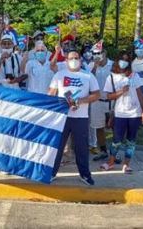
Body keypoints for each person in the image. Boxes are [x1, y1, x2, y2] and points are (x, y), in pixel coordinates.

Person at [48, 51, 100, 185]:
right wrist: (60, 104)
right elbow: (50, 94)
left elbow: (96, 95)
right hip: (62, 117)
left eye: (76, 58)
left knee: (81, 147)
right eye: (71, 58)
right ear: (66, 60)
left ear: (81, 60)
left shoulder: (88, 76)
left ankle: (85, 174)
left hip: (81, 117)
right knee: (57, 146)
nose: (74, 60)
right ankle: (51, 172)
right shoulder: (59, 75)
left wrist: (81, 101)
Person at [100, 51, 143, 173]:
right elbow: (108, 96)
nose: (124, 62)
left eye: (126, 60)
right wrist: (121, 91)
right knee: (117, 139)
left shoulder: (134, 75)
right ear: (117, 61)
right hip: (120, 113)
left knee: (131, 140)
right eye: (122, 59)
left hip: (135, 113)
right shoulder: (111, 77)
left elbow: (140, 93)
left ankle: (126, 164)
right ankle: (110, 162)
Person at [88, 42, 113, 161]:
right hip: (97, 101)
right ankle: (103, 150)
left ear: (105, 53)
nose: (97, 55)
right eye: (94, 53)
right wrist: (95, 66)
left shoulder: (113, 65)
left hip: (111, 100)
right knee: (99, 127)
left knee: (115, 127)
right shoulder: (91, 65)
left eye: (99, 53)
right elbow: (88, 79)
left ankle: (114, 153)